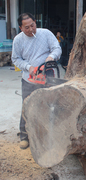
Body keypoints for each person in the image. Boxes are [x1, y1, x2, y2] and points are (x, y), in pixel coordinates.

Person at [11, 13, 62, 149]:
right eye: (26, 27)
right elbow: (16, 59)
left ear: (35, 22)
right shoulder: (18, 40)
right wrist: (29, 68)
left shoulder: (45, 34)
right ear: (21, 28)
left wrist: (51, 57)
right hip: (28, 79)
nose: (31, 29)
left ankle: (46, 137)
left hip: (48, 77)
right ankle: (24, 136)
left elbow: (57, 48)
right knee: (27, 106)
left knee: (47, 107)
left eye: (32, 25)